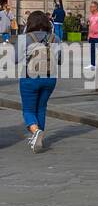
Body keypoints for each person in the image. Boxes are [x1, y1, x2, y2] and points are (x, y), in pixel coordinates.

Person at [19, 10, 60, 152]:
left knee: (28, 109)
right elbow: (59, 60)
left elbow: (15, 59)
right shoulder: (55, 38)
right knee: (41, 108)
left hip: (30, 77)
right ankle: (39, 139)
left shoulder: (25, 38)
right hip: (50, 78)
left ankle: (36, 131)